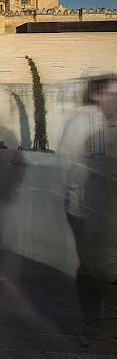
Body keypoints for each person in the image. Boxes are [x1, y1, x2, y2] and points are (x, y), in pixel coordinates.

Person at [58, 75, 117, 321]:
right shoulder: (82, 122)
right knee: (93, 265)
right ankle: (93, 320)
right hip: (84, 207)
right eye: (111, 94)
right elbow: (67, 162)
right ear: (95, 94)